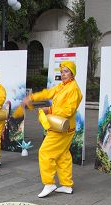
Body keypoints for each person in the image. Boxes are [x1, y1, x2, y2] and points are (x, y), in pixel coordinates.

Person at [23, 61, 82, 197]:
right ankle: (67, 185)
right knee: (63, 155)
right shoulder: (62, 86)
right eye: (61, 72)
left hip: (62, 127)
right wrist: (32, 97)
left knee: (45, 152)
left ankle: (49, 183)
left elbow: (68, 110)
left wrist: (49, 109)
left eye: (66, 71)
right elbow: (48, 93)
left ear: (72, 73)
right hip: (64, 127)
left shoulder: (73, 89)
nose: (63, 74)